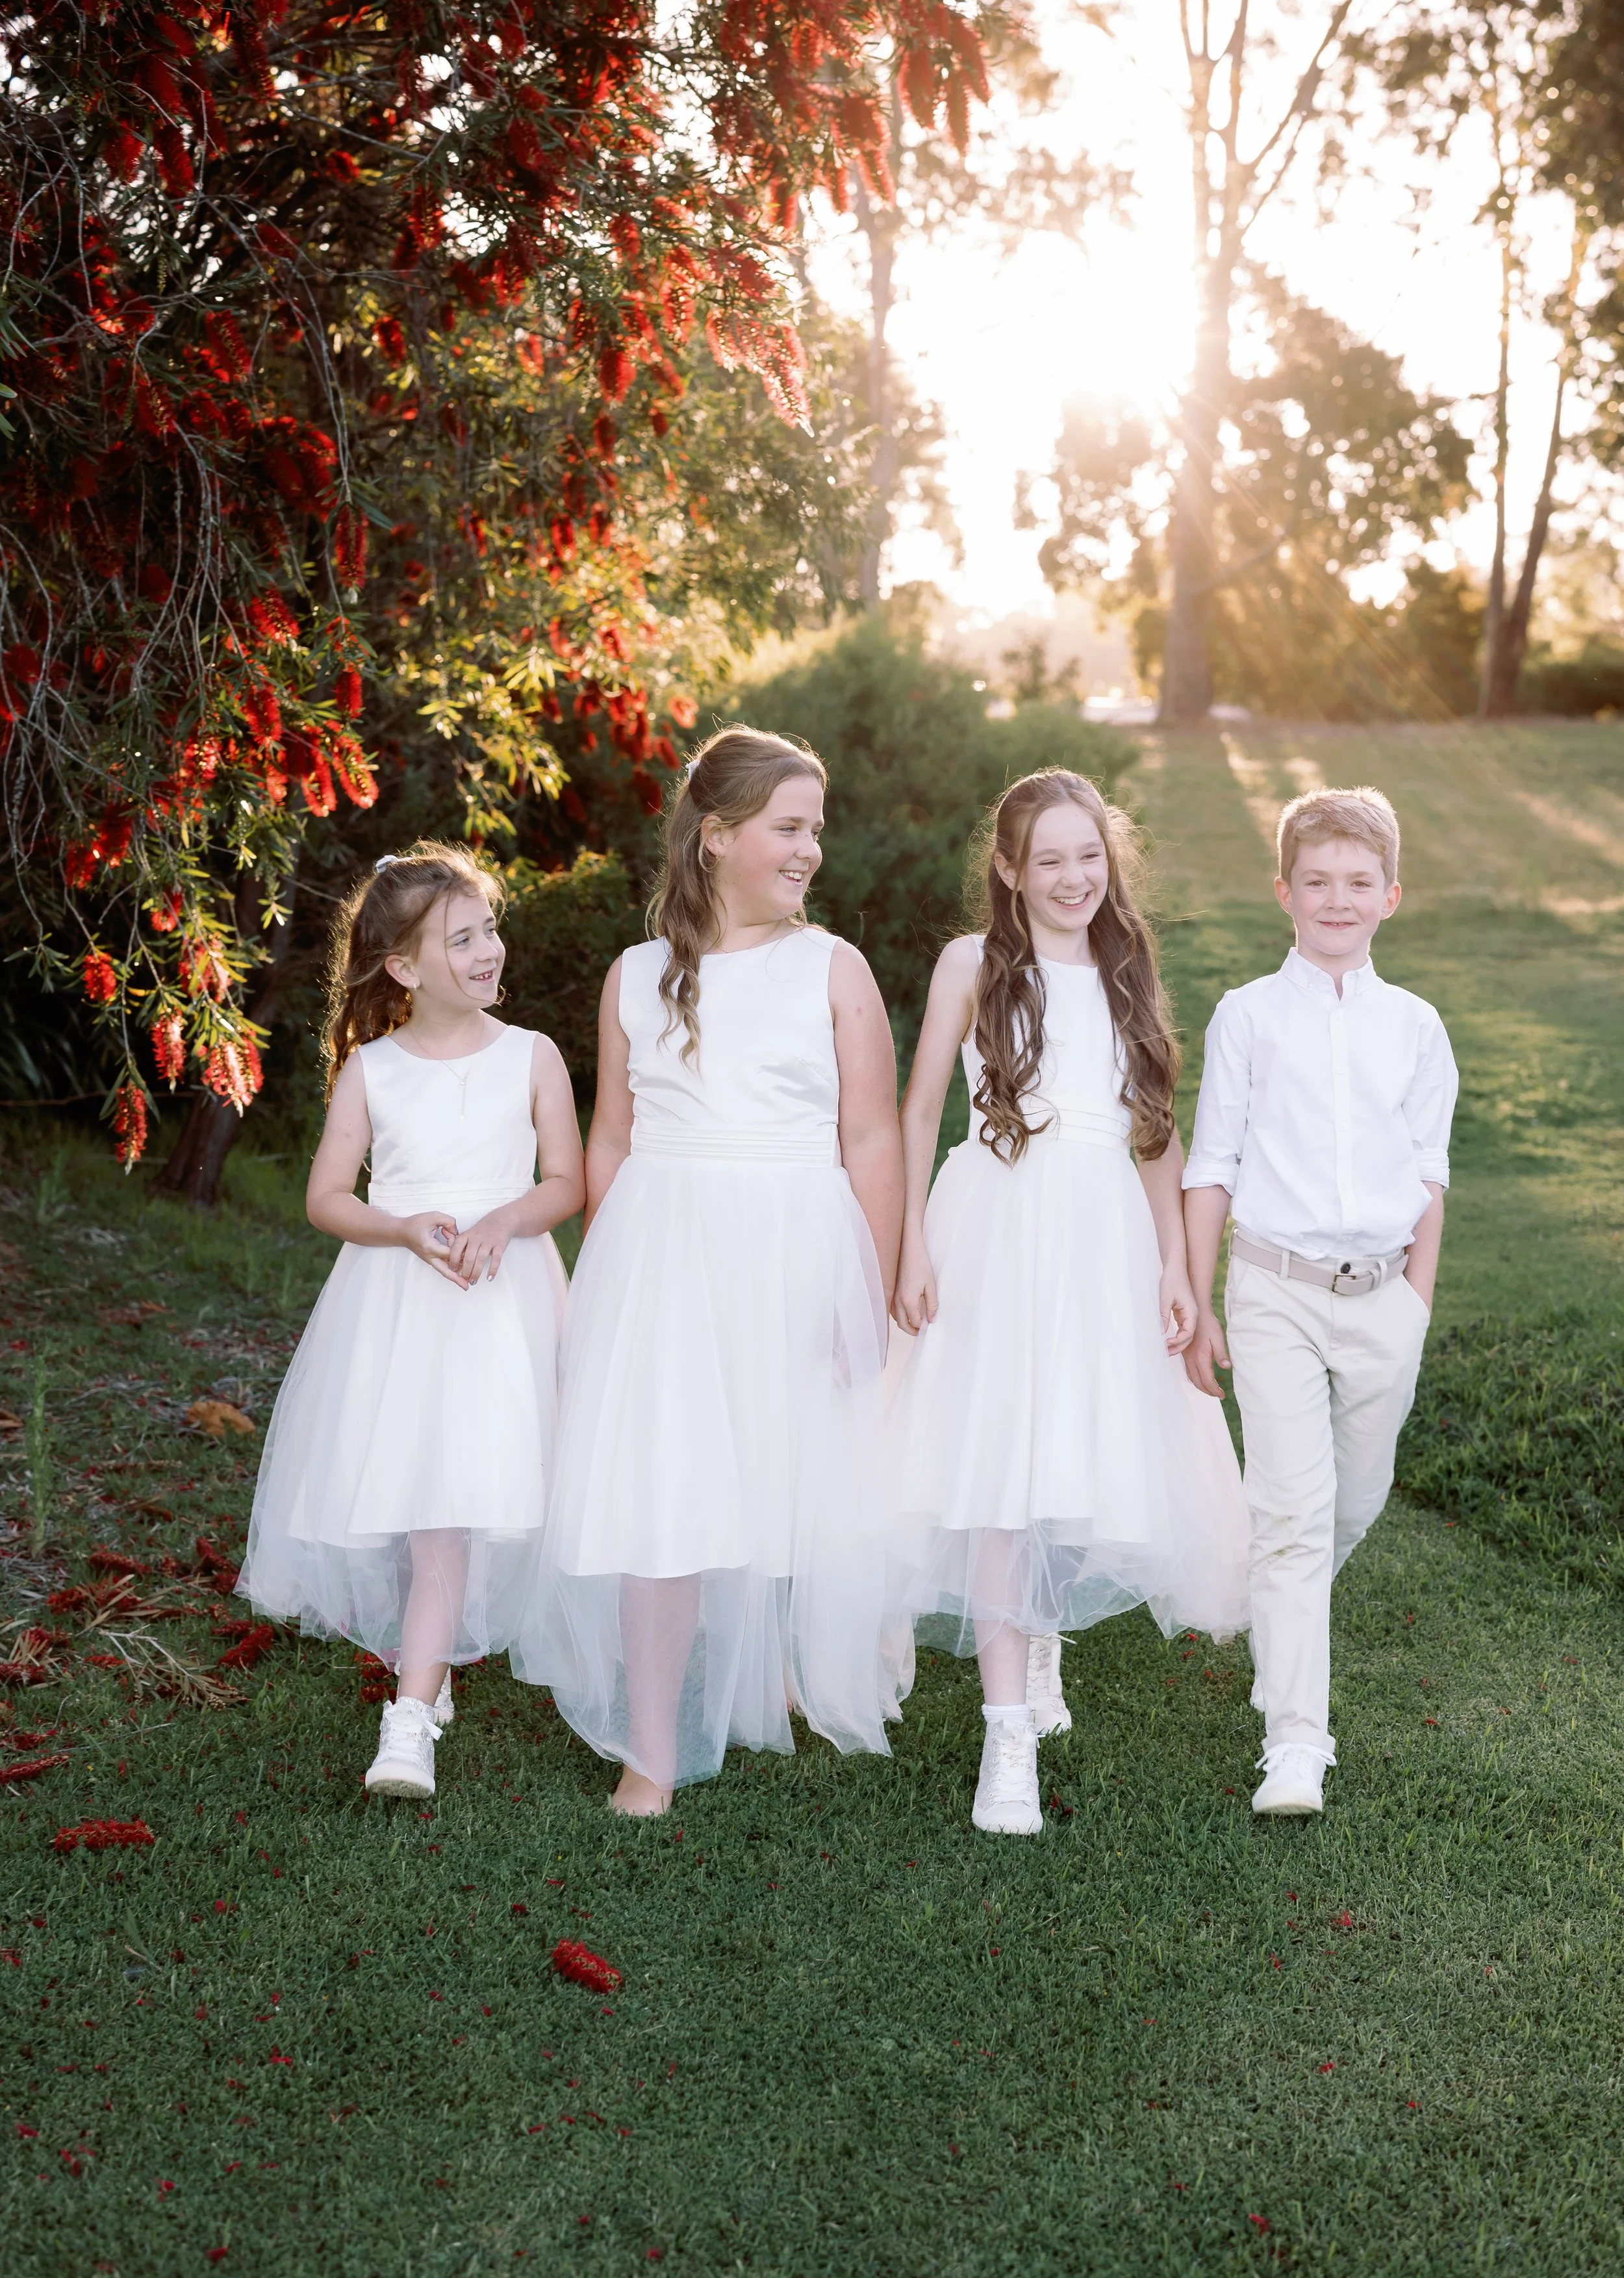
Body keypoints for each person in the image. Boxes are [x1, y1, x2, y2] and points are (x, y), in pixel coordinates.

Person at [513, 726, 906, 1815]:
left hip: (793, 1238)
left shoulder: (834, 969)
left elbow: (871, 1138)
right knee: (663, 1483)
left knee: (779, 1466)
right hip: (664, 1246)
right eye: (789, 828)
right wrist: (602, 1273)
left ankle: (766, 1669)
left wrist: (865, 1289)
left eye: (815, 830)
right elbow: (611, 1138)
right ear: (718, 837)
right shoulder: (637, 977)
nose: (809, 851)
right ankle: (650, 1747)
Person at [888, 768, 1250, 1836]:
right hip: (995, 1224)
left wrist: (1179, 1268)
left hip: (1103, 1235)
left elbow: (1154, 1132)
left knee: (1072, 1448)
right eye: (1048, 859)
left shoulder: (1126, 965)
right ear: (1008, 869)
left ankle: (1042, 1643)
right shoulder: (971, 964)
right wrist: (911, 1242)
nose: (1072, 877)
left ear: (1111, 859)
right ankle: (1006, 1740)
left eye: (1088, 855)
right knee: (999, 1463)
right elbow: (917, 1116)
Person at [238, 844, 584, 1800]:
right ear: (403, 968)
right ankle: (420, 1686)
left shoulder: (532, 1056)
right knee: (423, 1498)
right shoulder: (372, 1071)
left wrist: (506, 1219)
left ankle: (409, 1715)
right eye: (463, 939)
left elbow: (566, 1180)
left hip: (501, 1297)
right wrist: (399, 1225)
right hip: (399, 1299)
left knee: (453, 1503)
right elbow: (325, 1198)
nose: (489, 951)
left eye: (490, 930)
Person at [1182, 785, 1458, 1819]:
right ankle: (1296, 1741)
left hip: (1385, 1296)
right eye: (1316, 882)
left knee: (1354, 1501)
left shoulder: (1416, 1027)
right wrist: (1204, 1297)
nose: (1336, 900)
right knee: (1295, 1516)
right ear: (1284, 893)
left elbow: (1429, 1173)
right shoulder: (1248, 1016)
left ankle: (1275, 1608)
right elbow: (1211, 1163)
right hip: (1276, 1289)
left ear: (1391, 895)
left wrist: (1416, 1303)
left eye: (1357, 883)